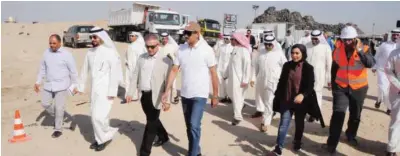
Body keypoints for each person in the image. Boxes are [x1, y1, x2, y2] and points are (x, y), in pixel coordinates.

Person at [161, 21, 219, 156]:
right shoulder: (181, 49)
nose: (185, 36)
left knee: (194, 125)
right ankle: (196, 150)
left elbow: (214, 74)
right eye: (184, 33)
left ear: (197, 34)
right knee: (189, 127)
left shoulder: (207, 50)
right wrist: (167, 90)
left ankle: (192, 154)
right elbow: (174, 70)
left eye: (188, 33)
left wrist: (215, 95)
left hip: (200, 94)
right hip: (185, 94)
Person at [323, 26, 376, 154]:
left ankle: (351, 134)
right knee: (338, 114)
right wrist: (333, 83)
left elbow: (370, 63)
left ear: (355, 39)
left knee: (355, 114)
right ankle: (331, 143)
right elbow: (334, 67)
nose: (347, 42)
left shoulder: (364, 48)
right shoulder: (337, 49)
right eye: (345, 39)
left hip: (359, 88)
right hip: (341, 87)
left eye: (349, 40)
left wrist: (359, 51)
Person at [268, 44, 324, 156]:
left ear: (303, 54)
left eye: (297, 53)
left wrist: (303, 95)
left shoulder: (308, 68)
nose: (294, 55)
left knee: (299, 124)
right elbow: (281, 81)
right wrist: (277, 96)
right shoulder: (287, 65)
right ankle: (278, 148)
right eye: (292, 53)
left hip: (301, 103)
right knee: (284, 124)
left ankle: (297, 140)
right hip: (287, 100)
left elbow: (310, 85)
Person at [126, 34, 172, 156]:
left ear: (158, 45)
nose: (150, 49)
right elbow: (135, 76)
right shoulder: (141, 58)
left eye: (152, 47)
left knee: (151, 123)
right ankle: (164, 136)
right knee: (152, 118)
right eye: (148, 47)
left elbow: (170, 82)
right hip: (144, 96)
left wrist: (167, 101)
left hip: (157, 96)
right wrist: (130, 92)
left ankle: (144, 152)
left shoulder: (166, 60)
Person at [77, 26, 122, 151]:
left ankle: (103, 138)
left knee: (98, 117)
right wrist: (80, 87)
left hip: (106, 90)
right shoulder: (90, 53)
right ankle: (101, 137)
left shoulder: (110, 53)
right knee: (95, 115)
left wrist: (112, 91)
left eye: (95, 37)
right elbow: (84, 71)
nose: (93, 39)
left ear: (101, 37)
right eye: (91, 37)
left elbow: (115, 73)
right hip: (94, 90)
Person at [35, 34, 78, 138]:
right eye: (50, 43)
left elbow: (73, 71)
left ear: (60, 43)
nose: (52, 45)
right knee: (45, 104)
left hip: (62, 85)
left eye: (54, 43)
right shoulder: (46, 53)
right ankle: (59, 116)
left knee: (59, 107)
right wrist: (38, 82)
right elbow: (42, 69)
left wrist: (75, 85)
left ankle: (58, 129)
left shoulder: (67, 54)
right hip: (48, 84)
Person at [250, 35, 287, 132]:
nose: (268, 46)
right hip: (261, 81)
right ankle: (269, 114)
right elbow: (255, 67)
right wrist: (253, 78)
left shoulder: (279, 54)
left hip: (273, 82)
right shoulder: (260, 53)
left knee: (268, 102)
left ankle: (265, 123)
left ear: (274, 44)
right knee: (263, 100)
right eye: (266, 44)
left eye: (270, 44)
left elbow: (286, 68)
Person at [305, 30, 333, 121]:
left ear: (320, 38)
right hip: (307, 75)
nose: (314, 40)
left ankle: (315, 113)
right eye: (312, 39)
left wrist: (329, 80)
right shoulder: (307, 46)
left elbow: (329, 65)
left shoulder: (326, 48)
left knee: (317, 93)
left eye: (316, 39)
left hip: (319, 75)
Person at [225, 32, 252, 126]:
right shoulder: (234, 49)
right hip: (233, 78)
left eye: (232, 39)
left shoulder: (244, 51)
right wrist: (226, 74)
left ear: (237, 40)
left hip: (240, 80)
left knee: (237, 97)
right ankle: (240, 106)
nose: (231, 41)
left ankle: (237, 117)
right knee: (232, 94)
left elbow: (247, 66)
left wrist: (245, 80)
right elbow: (230, 65)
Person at [373, 29, 400, 115]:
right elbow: (376, 56)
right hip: (382, 70)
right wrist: (374, 66)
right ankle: (389, 108)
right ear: (391, 35)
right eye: (394, 35)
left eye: (397, 35)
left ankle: (379, 100)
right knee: (384, 89)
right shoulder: (384, 45)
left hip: (395, 74)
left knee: (392, 91)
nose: (395, 36)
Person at [384, 37, 400, 156]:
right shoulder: (394, 54)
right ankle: (391, 149)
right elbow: (388, 71)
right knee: (397, 120)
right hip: (397, 92)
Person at [123, 31, 146, 103]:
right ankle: (129, 97)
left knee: (137, 82)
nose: (130, 37)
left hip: (136, 67)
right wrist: (126, 61)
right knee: (128, 81)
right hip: (129, 67)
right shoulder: (131, 45)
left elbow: (142, 57)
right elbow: (127, 55)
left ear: (137, 37)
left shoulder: (140, 46)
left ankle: (136, 97)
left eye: (132, 36)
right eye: (130, 36)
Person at [160, 32, 180, 104]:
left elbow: (178, 56)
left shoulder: (172, 46)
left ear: (168, 39)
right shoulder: (160, 47)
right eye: (163, 39)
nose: (164, 40)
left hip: (172, 68)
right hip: (163, 68)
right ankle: (165, 98)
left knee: (173, 84)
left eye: (165, 39)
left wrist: (177, 66)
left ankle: (174, 98)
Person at [216, 34, 234, 103]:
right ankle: (223, 96)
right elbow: (217, 56)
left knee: (228, 83)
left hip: (228, 67)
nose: (226, 40)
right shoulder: (221, 47)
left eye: (227, 38)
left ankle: (230, 97)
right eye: (225, 38)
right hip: (220, 67)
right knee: (221, 83)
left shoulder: (232, 47)